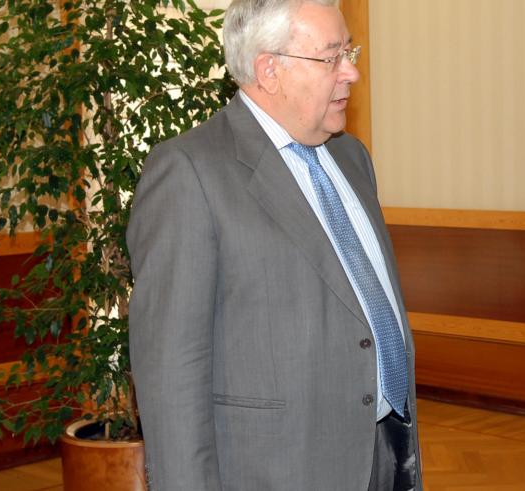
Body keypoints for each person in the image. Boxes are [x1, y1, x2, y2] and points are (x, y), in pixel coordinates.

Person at [127, 1, 420, 489]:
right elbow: (171, 374)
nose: (351, 72)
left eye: (351, 51)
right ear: (269, 70)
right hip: (277, 469)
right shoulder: (190, 172)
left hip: (383, 450)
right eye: (331, 57)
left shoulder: (351, 156)